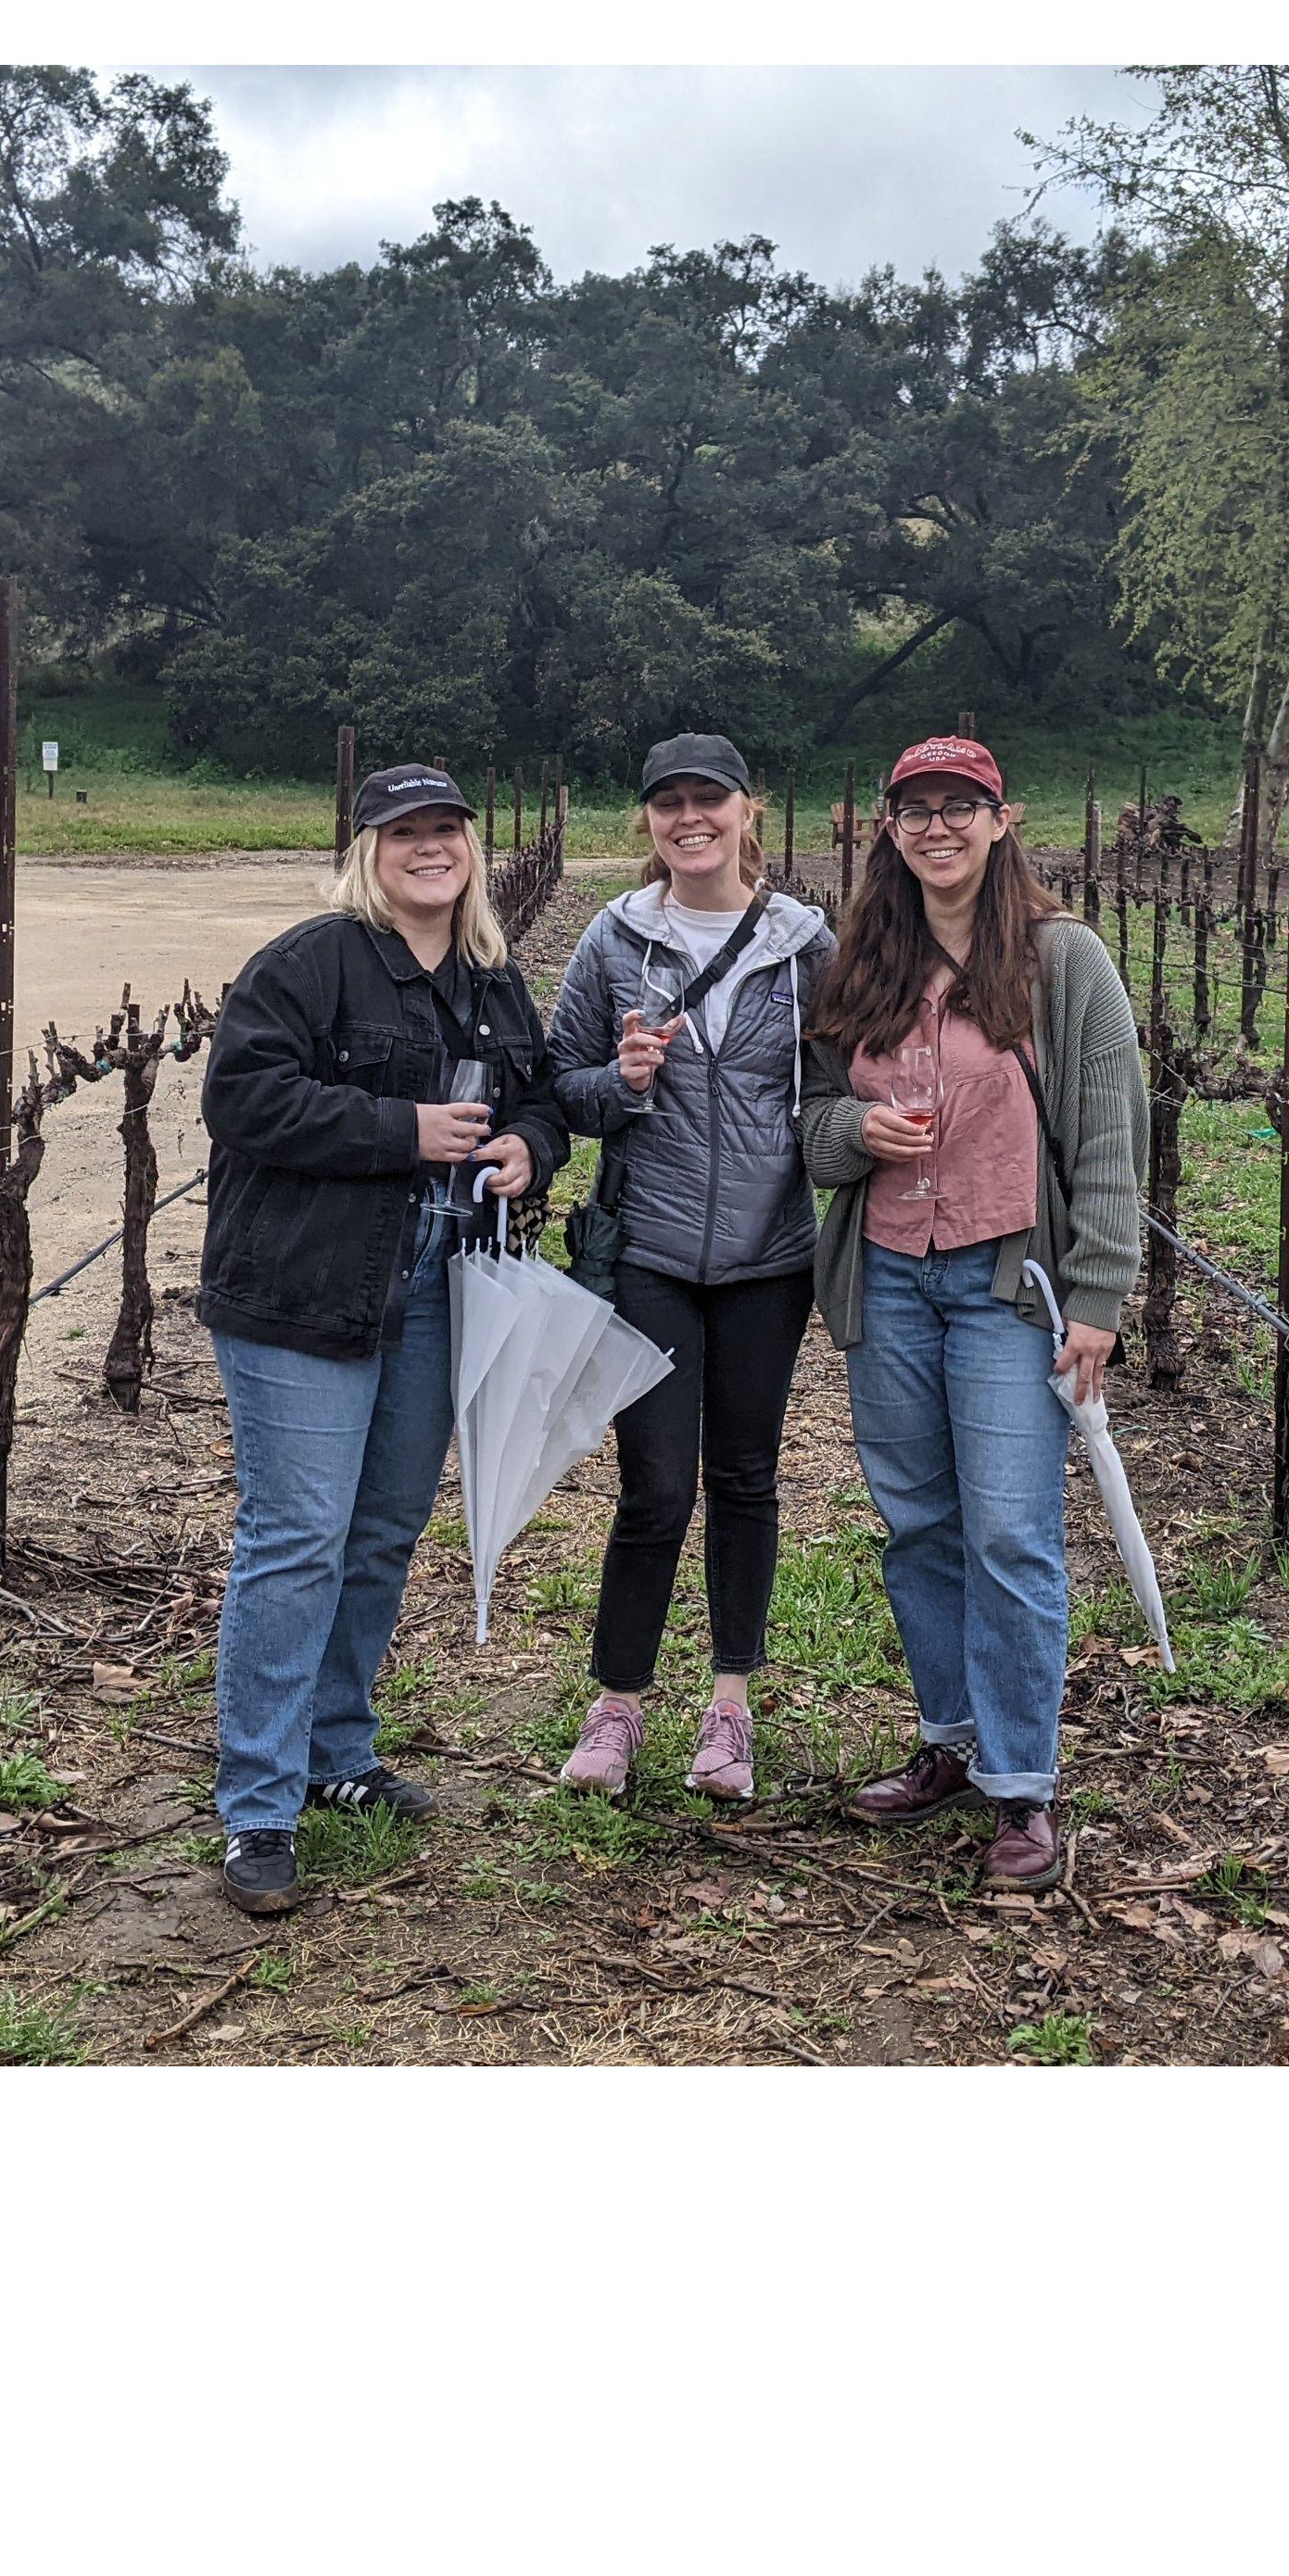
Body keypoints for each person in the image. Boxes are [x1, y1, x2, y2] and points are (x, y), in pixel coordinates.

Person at [195, 765, 567, 1917]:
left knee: (383, 1530)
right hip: (304, 1293)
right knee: (298, 1535)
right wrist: (399, 1128)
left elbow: (541, 1097)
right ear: (369, 850)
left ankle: (334, 1753)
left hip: (436, 1295)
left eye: (446, 829)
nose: (429, 848)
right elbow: (241, 1102)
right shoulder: (309, 964)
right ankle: (258, 1802)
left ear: (472, 844)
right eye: (403, 831)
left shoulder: (495, 982)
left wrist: (530, 1150)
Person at [796, 731, 1144, 1891]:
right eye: (915, 808)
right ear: (887, 829)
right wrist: (857, 1134)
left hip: (1009, 1285)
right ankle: (948, 1742)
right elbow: (811, 1122)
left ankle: (1021, 1787)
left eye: (961, 806)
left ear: (1004, 821)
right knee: (920, 1524)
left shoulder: (1064, 960)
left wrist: (1099, 1293)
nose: (937, 826)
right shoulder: (863, 963)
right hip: (890, 1274)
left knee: (1009, 1532)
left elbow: (1107, 1136)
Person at [541, 732, 836, 1803]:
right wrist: (617, 1085)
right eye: (668, 802)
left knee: (746, 1479)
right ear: (649, 823)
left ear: (747, 809)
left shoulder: (808, 947)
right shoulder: (614, 941)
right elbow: (557, 1089)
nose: (688, 818)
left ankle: (730, 1709)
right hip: (652, 1253)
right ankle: (616, 1706)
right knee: (656, 1486)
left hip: (769, 1259)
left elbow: (840, 1088)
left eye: (707, 797)